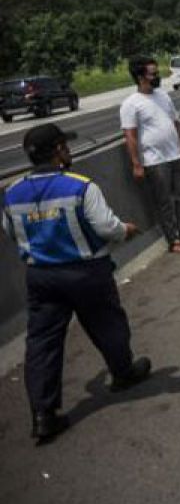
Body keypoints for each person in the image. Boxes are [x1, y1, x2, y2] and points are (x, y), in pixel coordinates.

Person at [2, 124, 152, 443]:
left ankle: (44, 415)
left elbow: (11, 231)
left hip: (41, 277)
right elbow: (106, 227)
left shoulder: (12, 192)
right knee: (107, 324)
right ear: (57, 150)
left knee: (42, 343)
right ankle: (123, 373)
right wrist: (125, 229)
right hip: (85, 273)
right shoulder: (80, 187)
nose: (68, 151)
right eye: (64, 147)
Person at [120, 56, 180, 254]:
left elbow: (176, 123)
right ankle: (174, 240)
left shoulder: (163, 96)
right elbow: (130, 136)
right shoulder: (131, 104)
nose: (157, 77)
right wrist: (136, 164)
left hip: (177, 155)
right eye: (153, 74)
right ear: (140, 77)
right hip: (155, 161)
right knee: (165, 203)